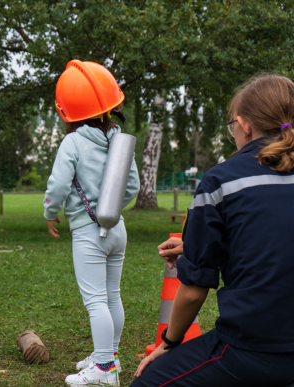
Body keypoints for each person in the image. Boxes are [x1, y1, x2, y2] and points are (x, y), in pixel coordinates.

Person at [131, 74, 294, 387]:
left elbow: (193, 291)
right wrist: (195, 246)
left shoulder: (221, 181)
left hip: (251, 349)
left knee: (147, 382)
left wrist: (169, 343)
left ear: (244, 125)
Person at [43, 59, 140, 387]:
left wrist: (50, 212)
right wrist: (111, 207)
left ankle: (102, 369)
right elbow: (133, 187)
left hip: (88, 232)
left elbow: (57, 185)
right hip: (118, 229)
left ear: (67, 110)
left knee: (96, 300)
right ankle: (110, 357)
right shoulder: (118, 138)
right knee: (113, 295)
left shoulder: (73, 142)